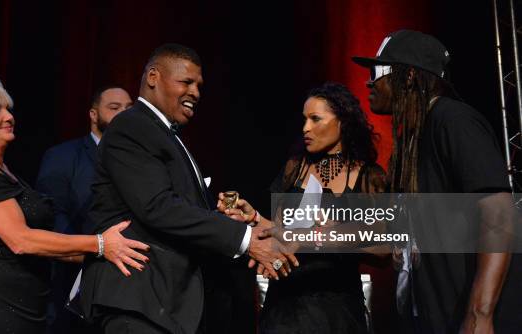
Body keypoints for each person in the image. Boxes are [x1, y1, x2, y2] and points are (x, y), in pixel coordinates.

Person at [76, 43, 297, 334]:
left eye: (199, 85)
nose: (195, 92)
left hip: (165, 306)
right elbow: (158, 207)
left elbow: (182, 213)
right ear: (153, 77)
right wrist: (246, 239)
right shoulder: (131, 126)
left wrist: (233, 223)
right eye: (186, 82)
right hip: (140, 299)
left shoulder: (164, 133)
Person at [0, 74, 149, 333]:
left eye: (7, 109)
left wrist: (116, 252)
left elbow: (45, 245)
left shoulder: (3, 171)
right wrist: (101, 244)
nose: (9, 116)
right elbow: (22, 240)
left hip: (21, 312)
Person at [352, 29, 513, 333]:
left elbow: (499, 211)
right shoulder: (412, 142)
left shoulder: (452, 120)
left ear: (409, 76)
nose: (369, 82)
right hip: (432, 317)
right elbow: (387, 241)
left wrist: (480, 312)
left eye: (377, 72)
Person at [219, 82, 387, 334]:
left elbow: (383, 248)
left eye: (315, 119)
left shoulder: (368, 177)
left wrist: (330, 234)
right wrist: (254, 218)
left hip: (337, 308)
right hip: (287, 307)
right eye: (304, 119)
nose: (305, 128)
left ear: (343, 122)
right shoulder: (294, 168)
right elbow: (282, 232)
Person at [36, 86, 133, 333]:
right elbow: (51, 216)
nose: (123, 114)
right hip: (73, 284)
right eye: (114, 108)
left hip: (130, 285)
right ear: (93, 114)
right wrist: (93, 251)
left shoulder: (142, 160)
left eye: (128, 109)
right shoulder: (63, 156)